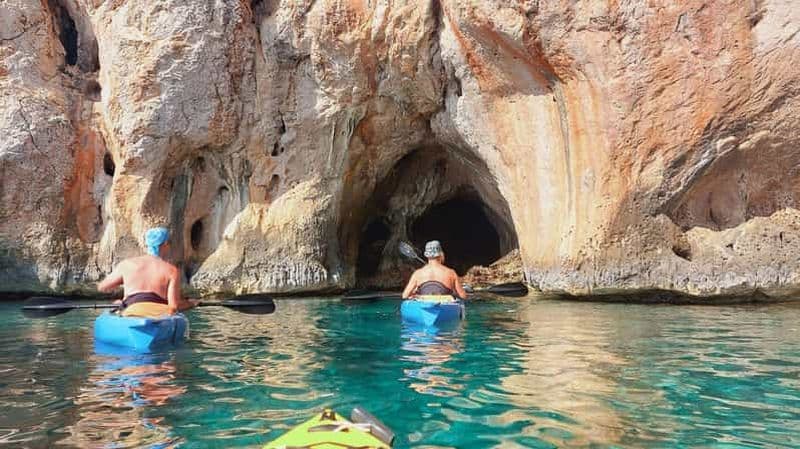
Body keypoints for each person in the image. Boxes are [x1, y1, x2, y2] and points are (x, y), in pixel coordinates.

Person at [98, 227, 196, 316]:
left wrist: (122, 291)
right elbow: (174, 306)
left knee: (118, 306)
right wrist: (192, 303)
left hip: (131, 310)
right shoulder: (171, 270)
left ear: (147, 244)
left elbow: (102, 287)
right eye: (169, 243)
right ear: (165, 244)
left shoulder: (127, 265)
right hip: (158, 314)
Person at [401, 240, 468, 300]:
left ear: (427, 255)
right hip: (445, 307)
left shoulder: (418, 273)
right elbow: (463, 296)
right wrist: (454, 292)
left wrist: (414, 294)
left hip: (424, 304)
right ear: (441, 254)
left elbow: (405, 295)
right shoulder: (451, 273)